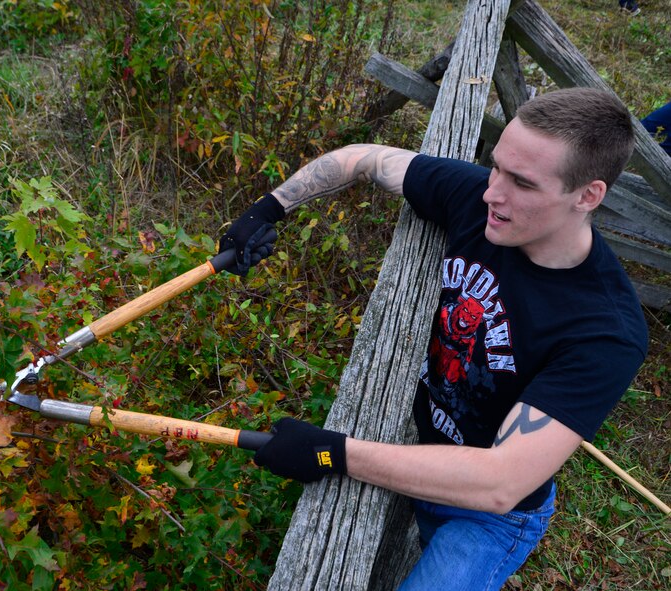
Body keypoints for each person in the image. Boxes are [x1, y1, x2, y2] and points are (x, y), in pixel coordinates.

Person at [218, 87, 648, 590]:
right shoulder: (480, 202)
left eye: (522, 183)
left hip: (488, 518)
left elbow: (500, 483)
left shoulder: (605, 330)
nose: (493, 193)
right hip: (415, 443)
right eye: (496, 168)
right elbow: (365, 159)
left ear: (588, 195)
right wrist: (266, 211)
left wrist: (332, 451)